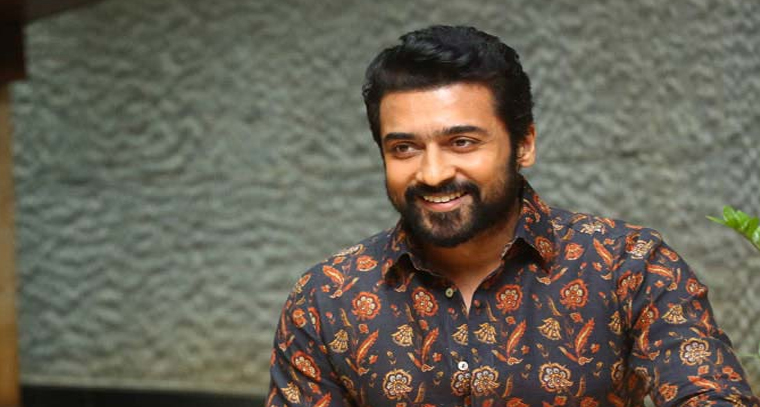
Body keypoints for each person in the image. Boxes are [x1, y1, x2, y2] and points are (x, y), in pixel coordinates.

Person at [267, 25, 758, 407]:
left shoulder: (627, 267)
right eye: (404, 148)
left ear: (524, 144)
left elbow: (712, 396)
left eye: (462, 142)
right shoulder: (328, 298)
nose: (433, 173)